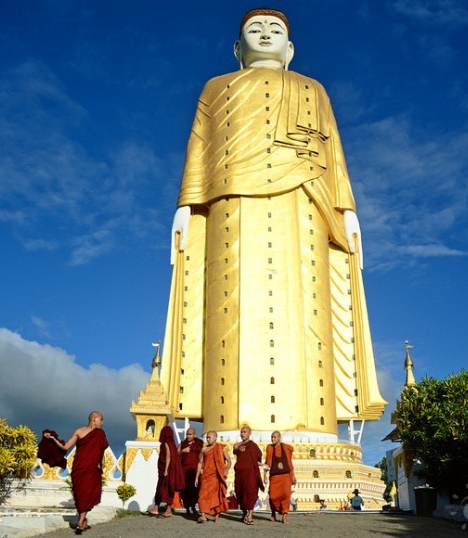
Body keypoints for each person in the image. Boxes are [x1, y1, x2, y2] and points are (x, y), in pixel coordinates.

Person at [162, 6, 386, 435]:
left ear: (290, 47)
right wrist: (186, 206)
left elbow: (334, 154)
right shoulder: (216, 87)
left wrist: (348, 210)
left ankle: (314, 428)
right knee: (228, 308)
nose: (265, 34)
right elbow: (198, 149)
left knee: (309, 306)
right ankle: (223, 425)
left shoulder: (312, 89)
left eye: (275, 30)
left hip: (304, 201)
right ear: (236, 47)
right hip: (231, 202)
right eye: (255, 29)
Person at [44, 411, 109, 534]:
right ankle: (83, 522)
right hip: (79, 468)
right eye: (101, 419)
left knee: (88, 493)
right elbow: (66, 446)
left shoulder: (100, 434)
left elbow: (101, 449)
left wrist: (103, 462)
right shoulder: (79, 431)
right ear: (94, 419)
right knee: (80, 494)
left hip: (93, 469)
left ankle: (80, 522)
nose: (102, 422)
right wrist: (54, 439)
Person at [146, 425, 184, 518]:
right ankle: (156, 508)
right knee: (161, 488)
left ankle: (168, 510)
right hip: (165, 470)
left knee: (166, 489)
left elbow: (168, 455)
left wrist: (166, 469)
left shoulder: (167, 442)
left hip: (166, 471)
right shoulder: (172, 443)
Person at [195, 431, 232, 524]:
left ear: (215, 437)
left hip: (216, 476)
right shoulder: (204, 449)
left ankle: (216, 516)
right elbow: (200, 463)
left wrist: (226, 470)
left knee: (216, 496)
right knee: (202, 495)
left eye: (210, 437)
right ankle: (203, 516)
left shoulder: (221, 448)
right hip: (206, 476)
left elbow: (229, 461)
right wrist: (196, 477)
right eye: (207, 437)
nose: (208, 439)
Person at [233, 425, 264, 525]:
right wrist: (238, 448)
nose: (243, 434)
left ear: (250, 433)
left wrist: (264, 466)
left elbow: (257, 458)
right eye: (242, 432)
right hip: (240, 474)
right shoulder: (236, 445)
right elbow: (235, 451)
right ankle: (244, 513)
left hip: (251, 474)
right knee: (240, 493)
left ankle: (250, 515)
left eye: (245, 432)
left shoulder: (253, 445)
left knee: (251, 493)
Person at [263, 430, 296, 524]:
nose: (273, 439)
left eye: (274, 437)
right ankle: (274, 512)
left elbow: (289, 463)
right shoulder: (270, 448)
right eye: (272, 437)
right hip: (275, 476)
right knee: (273, 496)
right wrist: (264, 475)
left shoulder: (285, 447)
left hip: (286, 476)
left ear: (279, 438)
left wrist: (293, 475)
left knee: (286, 495)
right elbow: (267, 462)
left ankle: (284, 516)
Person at [178, 427, 204, 516]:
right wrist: (183, 451)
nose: (188, 436)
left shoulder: (199, 444)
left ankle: (193, 507)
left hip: (194, 471)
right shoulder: (183, 444)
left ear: (194, 435)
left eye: (190, 434)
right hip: (184, 471)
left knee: (195, 489)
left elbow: (202, 456)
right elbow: (176, 455)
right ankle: (187, 508)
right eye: (187, 434)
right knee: (185, 490)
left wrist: (202, 468)